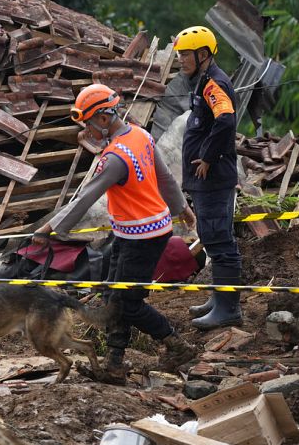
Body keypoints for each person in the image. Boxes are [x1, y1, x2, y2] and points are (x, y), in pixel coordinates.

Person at [33, 84, 197, 384]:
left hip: (142, 237)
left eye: (87, 124)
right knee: (112, 292)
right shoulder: (140, 135)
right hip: (140, 230)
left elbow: (83, 198)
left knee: (128, 303)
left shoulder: (114, 159)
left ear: (104, 119)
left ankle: (177, 345)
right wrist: (182, 208)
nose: (86, 131)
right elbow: (165, 178)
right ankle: (114, 363)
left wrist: (48, 230)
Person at [173, 26, 243, 330]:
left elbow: (226, 120)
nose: (180, 60)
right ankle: (219, 300)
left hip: (214, 178)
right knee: (214, 240)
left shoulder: (215, 84)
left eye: (185, 54)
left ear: (203, 54)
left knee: (219, 239)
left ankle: (228, 309)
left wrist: (209, 157)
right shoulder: (203, 81)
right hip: (207, 181)